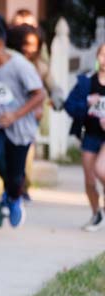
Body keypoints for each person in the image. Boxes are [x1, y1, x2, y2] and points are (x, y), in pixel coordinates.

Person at [0, 23, 46, 237]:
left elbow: (39, 94)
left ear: (0, 44)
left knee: (14, 176)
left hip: (18, 126)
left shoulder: (20, 66)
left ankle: (14, 197)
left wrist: (15, 115)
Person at [64, 43, 105, 232]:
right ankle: (97, 214)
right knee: (89, 180)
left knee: (101, 170)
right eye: (103, 54)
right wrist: (87, 103)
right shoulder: (86, 82)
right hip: (90, 135)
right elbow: (70, 105)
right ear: (97, 57)